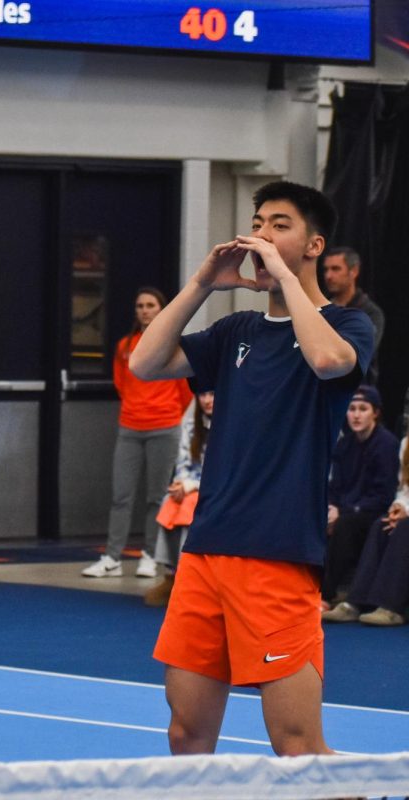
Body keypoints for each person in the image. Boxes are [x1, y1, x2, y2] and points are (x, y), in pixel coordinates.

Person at [130, 181, 374, 757]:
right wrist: (201, 285)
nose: (261, 233)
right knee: (186, 734)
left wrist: (285, 281)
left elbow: (328, 360)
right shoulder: (236, 332)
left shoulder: (348, 325)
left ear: (314, 245)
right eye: (258, 222)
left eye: (279, 225)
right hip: (205, 553)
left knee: (296, 745)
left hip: (278, 556)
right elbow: (146, 362)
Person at [83, 288, 192, 579]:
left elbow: (184, 389)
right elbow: (122, 383)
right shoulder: (125, 345)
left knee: (157, 496)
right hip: (130, 426)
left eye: (150, 305)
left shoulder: (172, 343)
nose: (144, 310)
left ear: (161, 309)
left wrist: (166, 414)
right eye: (140, 305)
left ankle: (149, 555)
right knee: (122, 494)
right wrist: (136, 407)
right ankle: (112, 557)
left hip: (164, 426)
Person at [319, 385, 399, 607]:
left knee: (345, 525)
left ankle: (326, 594)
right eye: (352, 408)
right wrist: (331, 508)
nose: (356, 414)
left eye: (363, 409)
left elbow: (382, 494)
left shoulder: (386, 444)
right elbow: (334, 486)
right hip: (345, 509)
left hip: (371, 511)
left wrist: (341, 512)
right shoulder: (345, 444)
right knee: (319, 517)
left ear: (376, 412)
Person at [323, 435, 409, 625]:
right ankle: (356, 602)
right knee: (381, 525)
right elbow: (404, 489)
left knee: (404, 528)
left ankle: (391, 607)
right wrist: (399, 506)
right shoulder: (406, 444)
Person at [145, 390, 214, 607]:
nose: (207, 400)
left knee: (190, 507)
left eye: (212, 394)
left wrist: (191, 486)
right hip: (192, 485)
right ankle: (170, 575)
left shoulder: (231, 426)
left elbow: (224, 473)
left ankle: (188, 579)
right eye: (202, 395)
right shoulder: (192, 422)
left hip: (217, 490)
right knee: (170, 502)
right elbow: (184, 461)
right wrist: (181, 483)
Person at [322, 246, 384, 382]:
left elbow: (362, 352)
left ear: (353, 271)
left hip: (356, 393)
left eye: (336, 269)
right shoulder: (320, 309)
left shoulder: (370, 313)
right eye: (326, 269)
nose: (329, 276)